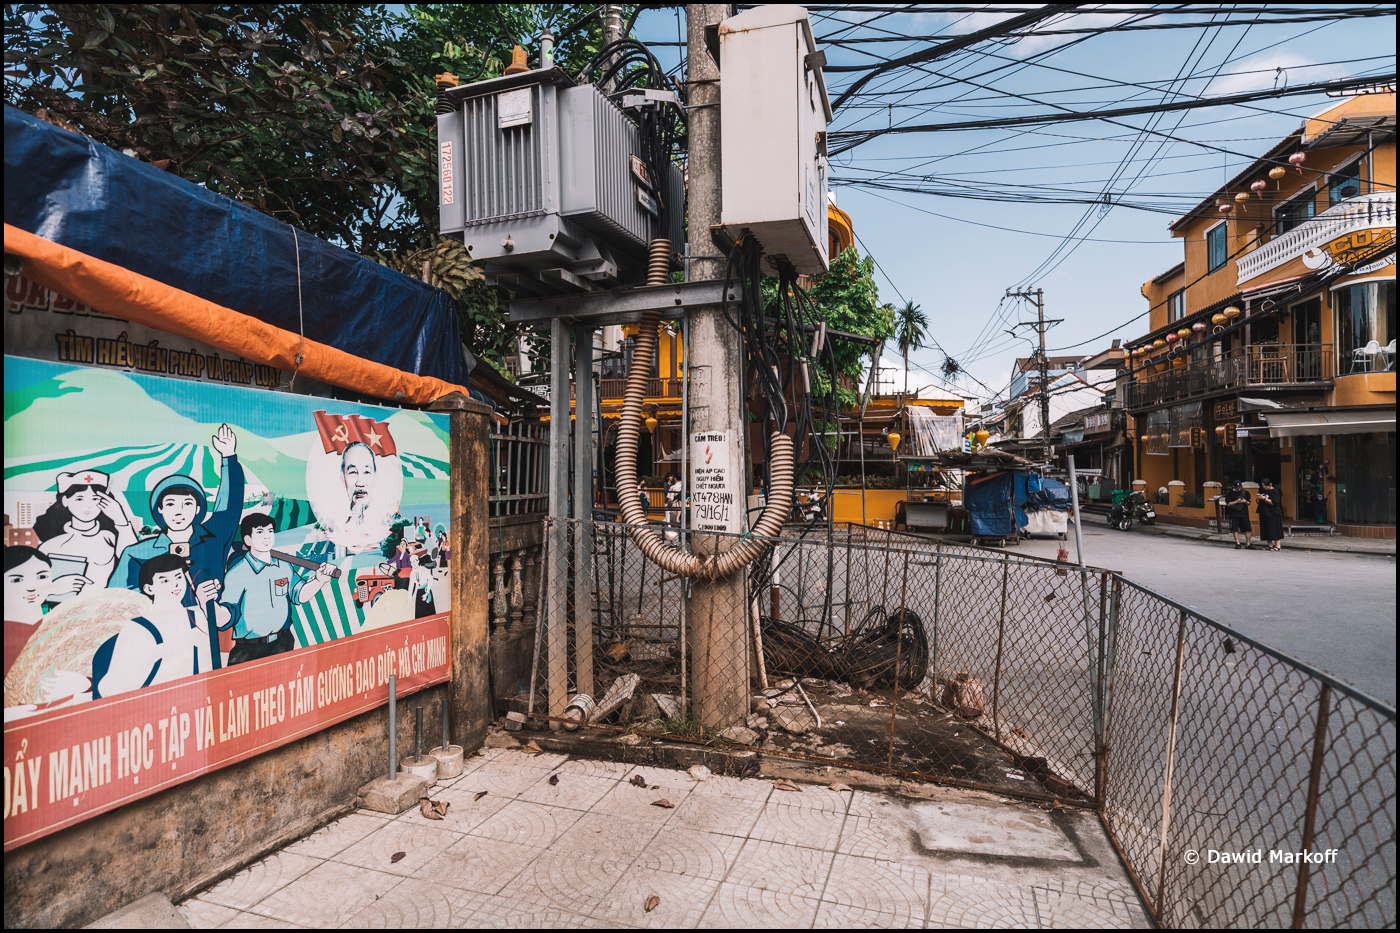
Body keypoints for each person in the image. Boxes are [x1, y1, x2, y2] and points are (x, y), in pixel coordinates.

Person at [113, 424, 244, 606]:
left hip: (210, 627)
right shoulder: (137, 554)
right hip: (164, 630)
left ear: (198, 509)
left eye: (188, 503)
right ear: (160, 509)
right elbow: (119, 597)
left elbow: (230, 505)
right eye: (170, 504)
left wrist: (229, 457)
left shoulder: (215, 538)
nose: (179, 511)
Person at [93, 553, 230, 698]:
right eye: (165, 581)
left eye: (178, 577)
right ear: (149, 588)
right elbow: (113, 688)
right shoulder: (138, 628)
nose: (175, 584)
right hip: (157, 708)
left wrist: (207, 602)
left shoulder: (197, 614)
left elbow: (224, 620)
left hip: (200, 701)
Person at [220, 513, 334, 665]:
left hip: (283, 643)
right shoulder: (237, 573)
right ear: (248, 540)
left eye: (270, 531)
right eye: (260, 532)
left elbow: (299, 595)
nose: (267, 536)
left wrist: (320, 580)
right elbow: (228, 613)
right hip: (248, 649)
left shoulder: (284, 566)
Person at [35, 469, 135, 595]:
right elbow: (34, 586)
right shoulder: (50, 545)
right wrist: (54, 589)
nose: (88, 506)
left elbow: (134, 559)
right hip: (65, 610)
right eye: (79, 499)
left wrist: (120, 520)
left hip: (105, 608)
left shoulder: (109, 537)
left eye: (95, 499)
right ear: (65, 500)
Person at [341, 441, 378, 526]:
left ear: (375, 478)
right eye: (353, 472)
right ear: (343, 478)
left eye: (366, 472)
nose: (360, 483)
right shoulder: (337, 525)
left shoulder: (387, 522)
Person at [1256, 478, 1285, 551]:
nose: (1264, 487)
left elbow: (1274, 503)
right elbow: (1257, 502)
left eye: (1265, 485)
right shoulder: (1263, 491)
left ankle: (1278, 546)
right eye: (1263, 485)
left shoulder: (1275, 492)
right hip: (1264, 512)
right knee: (1266, 529)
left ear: (1270, 484)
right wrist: (1259, 498)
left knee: (1274, 529)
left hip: (1273, 513)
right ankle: (1270, 545)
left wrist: (1264, 499)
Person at [1223, 480, 1253, 549]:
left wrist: (1245, 501)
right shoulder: (1229, 493)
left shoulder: (1246, 493)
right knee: (1234, 529)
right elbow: (1228, 504)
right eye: (1237, 487)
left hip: (1244, 513)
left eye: (1240, 487)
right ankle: (1238, 543)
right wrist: (1236, 501)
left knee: (1248, 529)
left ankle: (1248, 544)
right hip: (1234, 513)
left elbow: (1249, 503)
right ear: (1233, 486)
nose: (1239, 489)